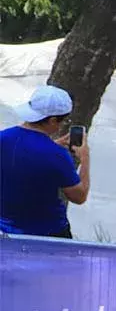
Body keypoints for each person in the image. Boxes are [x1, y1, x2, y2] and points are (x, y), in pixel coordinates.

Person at [0, 85, 91, 237]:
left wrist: (51, 147)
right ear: (53, 120)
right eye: (63, 120)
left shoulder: (2, 138)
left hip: (5, 229)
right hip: (47, 233)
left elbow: (21, 158)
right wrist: (85, 158)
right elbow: (79, 196)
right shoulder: (57, 155)